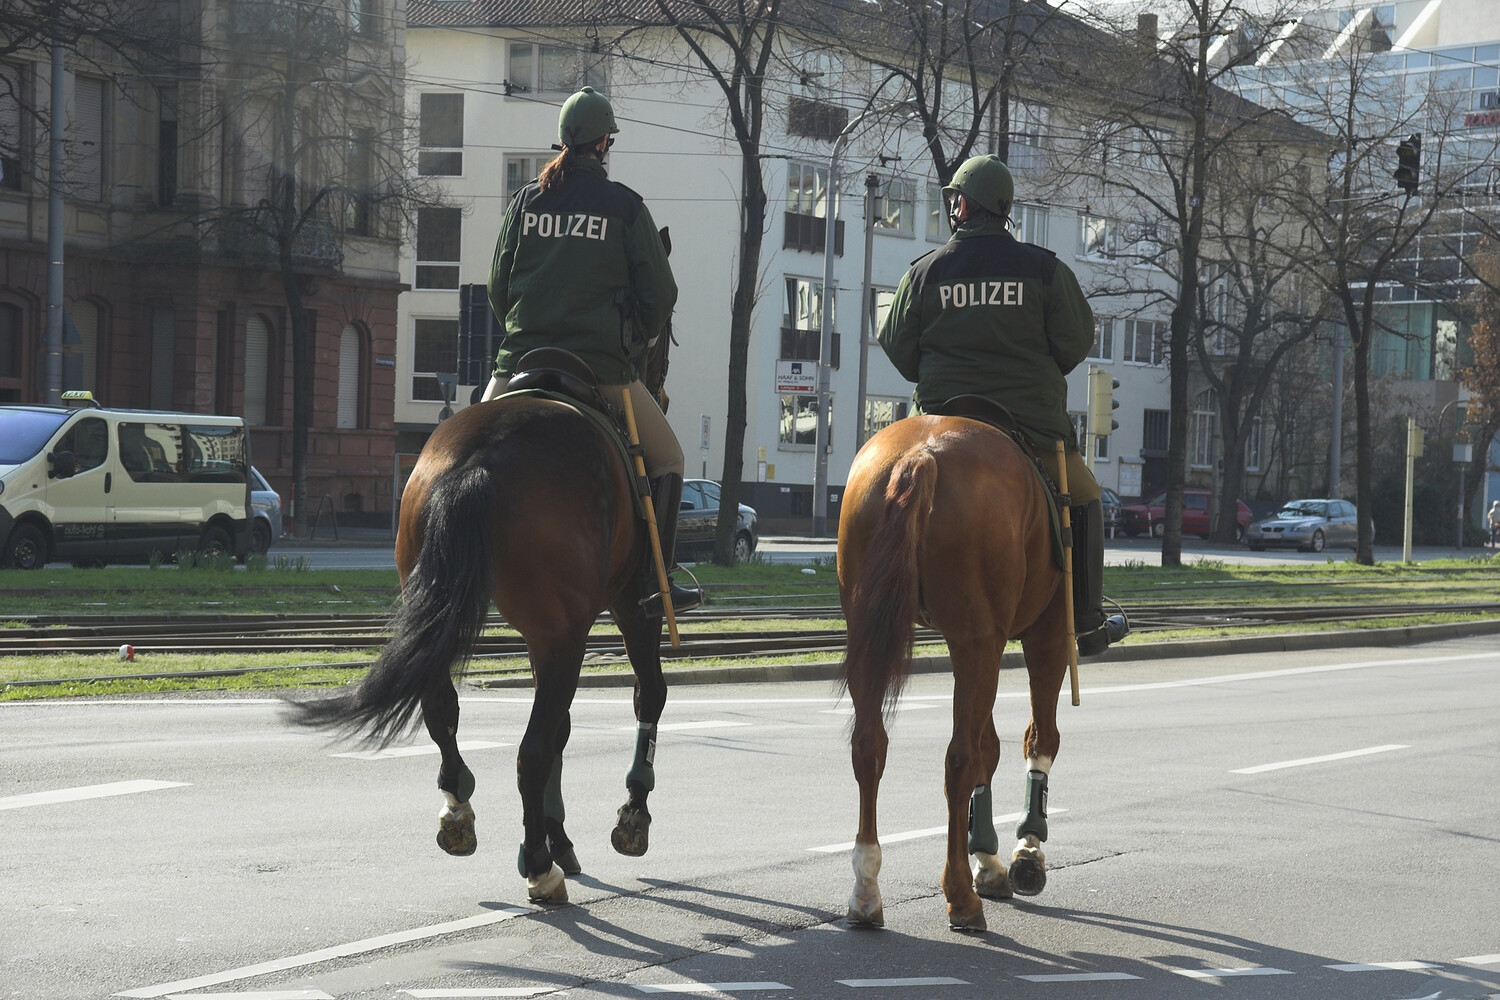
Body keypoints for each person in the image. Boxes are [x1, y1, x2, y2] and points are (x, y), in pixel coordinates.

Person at [877, 154, 1128, 656]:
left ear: (964, 206)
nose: (952, 205)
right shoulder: (1045, 270)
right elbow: (1075, 344)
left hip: (939, 420)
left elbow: (898, 348)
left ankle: (870, 592)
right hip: (1031, 428)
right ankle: (1087, 616)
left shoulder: (924, 272)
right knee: (1085, 497)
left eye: (954, 198)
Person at [485, 86, 699, 613]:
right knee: (670, 459)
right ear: (604, 143)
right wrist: (638, 343)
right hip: (601, 369)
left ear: (563, 140)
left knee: (455, 453)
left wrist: (524, 334)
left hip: (518, 365)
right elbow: (662, 295)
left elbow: (496, 287)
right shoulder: (624, 206)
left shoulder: (525, 201)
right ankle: (657, 582)